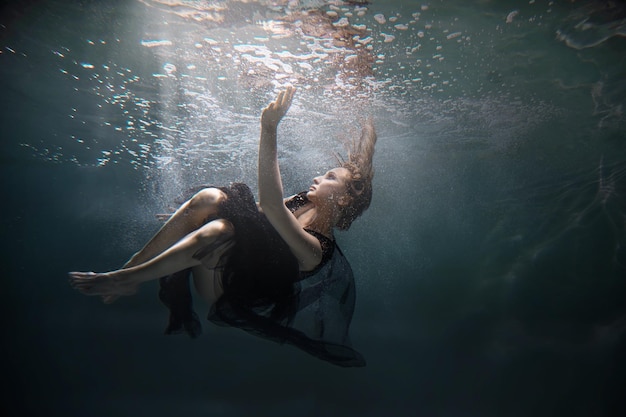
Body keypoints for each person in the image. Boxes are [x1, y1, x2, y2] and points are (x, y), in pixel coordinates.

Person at [69, 87, 376, 367]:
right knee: (210, 198)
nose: (318, 178)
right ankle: (134, 265)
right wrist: (192, 215)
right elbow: (255, 216)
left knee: (220, 232)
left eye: (329, 178)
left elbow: (269, 206)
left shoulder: (316, 250)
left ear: (345, 200)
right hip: (228, 260)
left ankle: (125, 278)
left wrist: (268, 127)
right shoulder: (303, 202)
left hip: (228, 289)